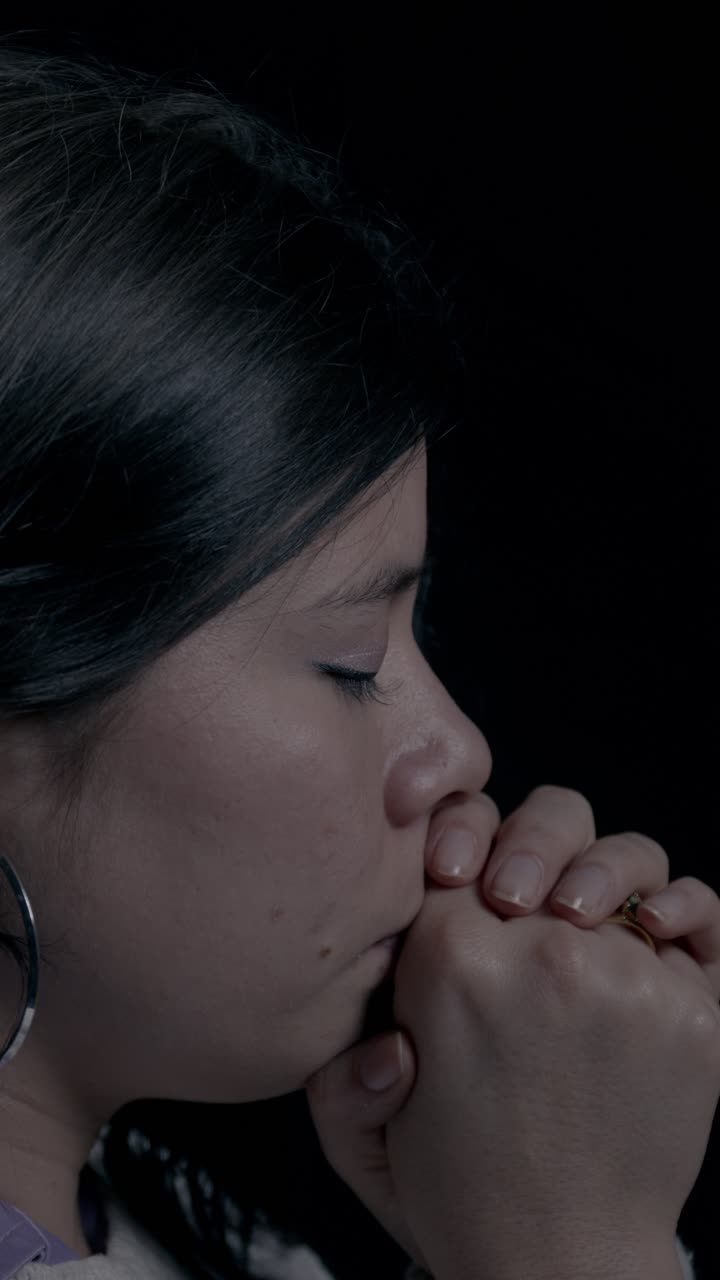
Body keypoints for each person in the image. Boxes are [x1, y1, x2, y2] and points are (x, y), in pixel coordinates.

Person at [0, 35, 714, 1280]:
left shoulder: (159, 1208)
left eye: (411, 638)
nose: (460, 754)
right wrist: (571, 1243)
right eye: (345, 662)